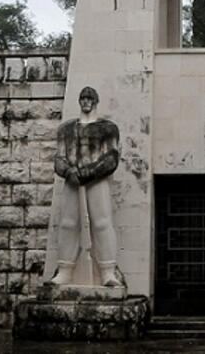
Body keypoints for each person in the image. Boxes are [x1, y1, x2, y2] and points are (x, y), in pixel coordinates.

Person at [43, 86, 126, 287]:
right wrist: (68, 172)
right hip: (73, 181)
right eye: (83, 98)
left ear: (95, 101)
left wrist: (90, 172)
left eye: (90, 98)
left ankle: (107, 272)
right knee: (68, 224)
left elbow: (112, 158)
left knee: (102, 223)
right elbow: (59, 158)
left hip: (96, 181)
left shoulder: (108, 128)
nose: (86, 101)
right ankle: (64, 271)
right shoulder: (66, 129)